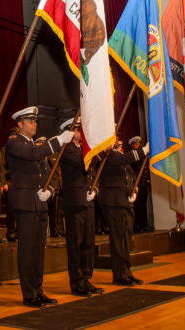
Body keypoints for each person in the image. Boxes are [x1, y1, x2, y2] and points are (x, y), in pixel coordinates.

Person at [4, 106, 73, 308]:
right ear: (20, 124)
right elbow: (33, 154)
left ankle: (38, 290)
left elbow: (46, 173)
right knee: (27, 251)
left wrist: (50, 190)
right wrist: (58, 141)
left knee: (38, 251)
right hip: (25, 204)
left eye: (35, 121)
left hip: (40, 204)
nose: (34, 124)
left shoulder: (36, 145)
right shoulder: (14, 143)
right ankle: (29, 294)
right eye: (30, 121)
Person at [58, 117, 104, 297]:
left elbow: (93, 172)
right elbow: (84, 163)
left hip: (87, 200)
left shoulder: (82, 150)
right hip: (74, 202)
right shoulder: (67, 149)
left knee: (88, 242)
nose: (80, 132)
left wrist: (95, 188)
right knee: (76, 244)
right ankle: (77, 282)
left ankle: (86, 278)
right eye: (77, 129)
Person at [98, 138, 148, 286]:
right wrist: (143, 151)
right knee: (118, 239)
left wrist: (134, 189)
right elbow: (124, 159)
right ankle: (119, 274)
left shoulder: (117, 154)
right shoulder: (105, 154)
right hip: (113, 202)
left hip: (125, 201)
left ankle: (127, 271)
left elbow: (131, 174)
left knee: (126, 239)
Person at [129, 135, 153, 232]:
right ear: (133, 145)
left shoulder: (143, 155)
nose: (139, 145)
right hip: (136, 184)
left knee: (143, 204)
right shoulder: (132, 155)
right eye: (137, 143)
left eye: (139, 143)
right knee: (137, 205)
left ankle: (144, 224)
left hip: (143, 183)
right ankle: (137, 224)